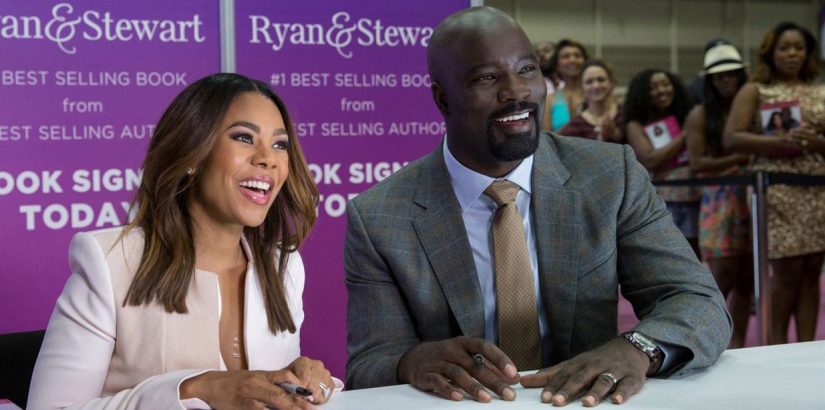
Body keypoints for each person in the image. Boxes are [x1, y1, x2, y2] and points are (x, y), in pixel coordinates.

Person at [344, 6, 730, 408]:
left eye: (527, 70)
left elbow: (697, 301)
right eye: (487, 78)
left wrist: (635, 349)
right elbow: (370, 362)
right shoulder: (380, 218)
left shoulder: (609, 176)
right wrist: (412, 361)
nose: (516, 92)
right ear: (443, 99)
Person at [28, 73, 340, 409]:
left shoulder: (283, 266)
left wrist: (307, 385)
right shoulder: (110, 262)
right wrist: (194, 389)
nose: (268, 158)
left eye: (280, 144)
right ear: (192, 154)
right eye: (244, 138)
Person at [724, 21, 825, 345]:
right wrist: (780, 143)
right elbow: (732, 138)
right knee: (786, 270)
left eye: (799, 48)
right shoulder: (755, 89)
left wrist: (815, 142)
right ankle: (776, 345)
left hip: (817, 188)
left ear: (808, 53)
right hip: (777, 189)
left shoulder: (820, 90)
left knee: (812, 270)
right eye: (785, 48)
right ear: (771, 52)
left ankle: (808, 346)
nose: (792, 54)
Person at [684, 43, 753, 348]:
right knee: (721, 278)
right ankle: (708, 343)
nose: (727, 81)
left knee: (748, 278)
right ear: (710, 81)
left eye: (732, 74)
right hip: (719, 200)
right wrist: (741, 158)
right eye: (719, 76)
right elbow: (698, 163)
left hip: (752, 195)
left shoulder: (751, 107)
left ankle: (739, 345)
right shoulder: (700, 114)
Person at [624, 69, 700, 256]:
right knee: (671, 255)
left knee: (696, 255)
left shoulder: (687, 116)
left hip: (695, 195)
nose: (662, 90)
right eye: (653, 87)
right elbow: (651, 159)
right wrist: (685, 135)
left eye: (666, 84)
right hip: (662, 201)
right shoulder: (636, 125)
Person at [558, 59, 625, 143]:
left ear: (611, 83)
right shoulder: (575, 124)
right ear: (581, 87)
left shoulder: (625, 114)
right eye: (589, 82)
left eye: (601, 80)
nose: (596, 86)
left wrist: (615, 134)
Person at [541, 38, 589, 131]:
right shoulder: (549, 101)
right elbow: (546, 137)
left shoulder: (595, 96)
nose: (572, 60)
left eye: (577, 55)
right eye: (566, 56)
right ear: (557, 65)